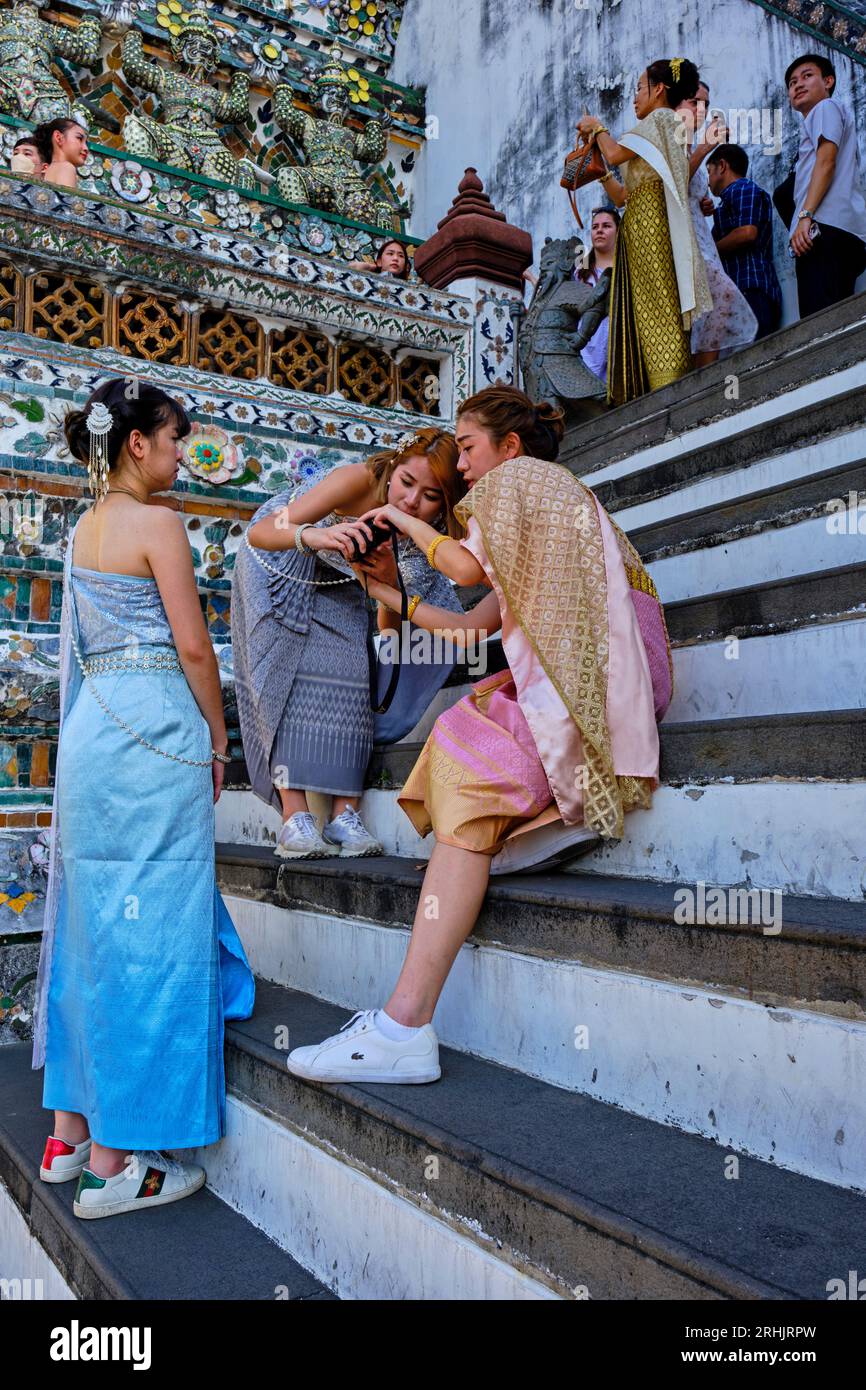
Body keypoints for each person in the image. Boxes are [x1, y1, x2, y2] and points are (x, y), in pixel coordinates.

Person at [285, 385, 670, 1085]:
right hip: (619, 678)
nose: (459, 468)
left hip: (607, 680)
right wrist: (386, 596)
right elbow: (472, 625)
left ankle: (404, 1023)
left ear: (509, 447)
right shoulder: (549, 501)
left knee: (467, 739)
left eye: (465, 448)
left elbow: (459, 571)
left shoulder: (521, 479)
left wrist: (402, 524)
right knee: (480, 717)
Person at [32, 378, 255, 1218]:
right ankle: (119, 1164)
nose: (177, 453)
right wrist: (218, 737)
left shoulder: (82, 526)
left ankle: (68, 1134)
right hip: (156, 728)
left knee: (93, 924)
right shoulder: (159, 523)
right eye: (172, 439)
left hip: (95, 738)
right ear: (136, 444)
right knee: (150, 931)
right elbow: (196, 649)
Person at [231, 429, 466, 861]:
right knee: (285, 664)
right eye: (407, 482)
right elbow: (264, 533)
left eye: (430, 495)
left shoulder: (426, 537)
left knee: (353, 667)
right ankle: (294, 818)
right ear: (392, 470)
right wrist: (315, 536)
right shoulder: (356, 480)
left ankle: (344, 817)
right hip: (282, 557)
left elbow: (387, 624)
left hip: (344, 577)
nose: (411, 501)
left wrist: (385, 582)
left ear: (444, 504)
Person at [577, 57, 712, 405]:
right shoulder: (658, 127)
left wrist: (596, 126)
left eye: (639, 88)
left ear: (659, 89)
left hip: (653, 226)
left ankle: (669, 390)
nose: (635, 97)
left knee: (659, 307)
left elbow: (615, 152)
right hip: (639, 222)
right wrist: (601, 173)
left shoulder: (663, 118)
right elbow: (623, 196)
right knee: (644, 310)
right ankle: (655, 390)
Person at [677, 86, 757, 365]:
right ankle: (702, 377)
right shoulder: (670, 140)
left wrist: (704, 205)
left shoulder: (692, 152)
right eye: (694, 100)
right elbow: (667, 186)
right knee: (719, 297)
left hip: (702, 241)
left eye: (706, 103)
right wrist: (704, 148)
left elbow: (689, 192)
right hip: (683, 243)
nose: (701, 108)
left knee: (711, 307)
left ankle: (702, 375)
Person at [784, 53, 866, 317]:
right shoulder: (827, 115)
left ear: (828, 81)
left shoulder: (825, 108)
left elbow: (826, 162)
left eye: (807, 76)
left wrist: (805, 217)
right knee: (836, 321)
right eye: (792, 82)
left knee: (819, 327)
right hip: (842, 230)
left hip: (824, 229)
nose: (798, 85)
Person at [708, 143, 782, 340]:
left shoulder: (741, 188)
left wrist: (712, 250)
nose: (707, 182)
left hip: (751, 287)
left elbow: (747, 233)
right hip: (743, 291)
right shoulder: (726, 202)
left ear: (722, 166)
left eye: (709, 172)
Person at [575, 206, 620, 381]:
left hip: (618, 343)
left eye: (606, 226)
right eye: (595, 227)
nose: (599, 230)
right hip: (587, 347)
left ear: (618, 231)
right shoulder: (580, 272)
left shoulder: (626, 269)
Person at [32, 117, 88, 189]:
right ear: (58, 137)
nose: (86, 148)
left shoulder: (48, 171)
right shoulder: (66, 167)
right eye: (79, 138)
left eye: (86, 143)